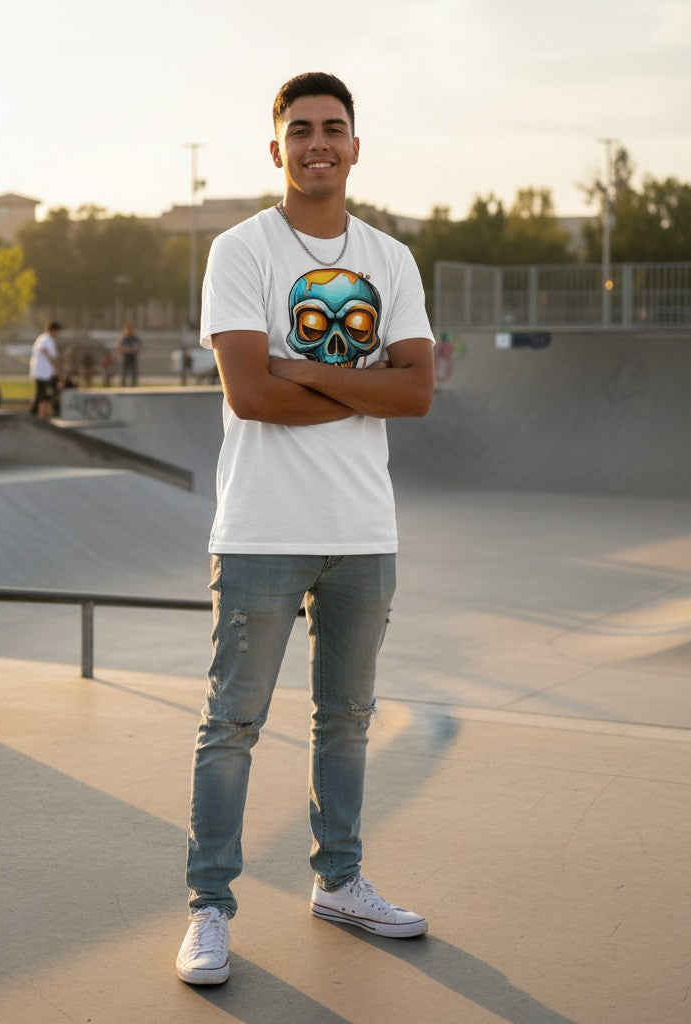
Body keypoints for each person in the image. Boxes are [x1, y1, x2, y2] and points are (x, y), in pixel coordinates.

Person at [175, 72, 435, 987]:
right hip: (260, 532)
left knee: (348, 721)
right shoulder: (240, 251)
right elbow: (249, 394)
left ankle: (342, 881)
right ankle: (210, 908)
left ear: (356, 146)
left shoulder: (390, 260)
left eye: (334, 129)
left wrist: (305, 372)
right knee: (231, 725)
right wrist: (365, 387)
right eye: (301, 130)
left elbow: (419, 392)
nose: (318, 143)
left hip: (363, 530)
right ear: (276, 148)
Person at [29, 322, 61, 417]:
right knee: (42, 394)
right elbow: (47, 353)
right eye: (57, 332)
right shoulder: (46, 340)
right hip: (42, 373)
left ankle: (49, 410)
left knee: (52, 390)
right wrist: (56, 367)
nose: (57, 334)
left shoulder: (43, 339)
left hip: (45, 373)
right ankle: (34, 413)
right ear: (53, 331)